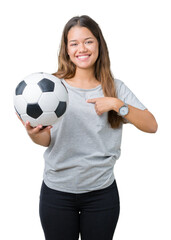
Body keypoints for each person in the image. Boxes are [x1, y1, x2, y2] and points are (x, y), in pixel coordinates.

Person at [18, 15, 158, 240]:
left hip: (101, 194)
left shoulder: (115, 88)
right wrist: (34, 134)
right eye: (74, 43)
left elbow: (152, 125)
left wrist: (116, 104)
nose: (81, 48)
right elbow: (47, 141)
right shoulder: (51, 88)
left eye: (88, 41)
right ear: (66, 49)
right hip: (57, 193)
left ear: (99, 44)